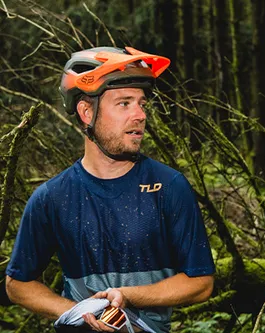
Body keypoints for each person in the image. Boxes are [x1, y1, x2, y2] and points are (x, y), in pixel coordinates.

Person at [5, 46, 215, 333]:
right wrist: (78, 311)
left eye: (142, 103)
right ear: (86, 111)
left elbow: (201, 282)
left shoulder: (169, 186)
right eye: (124, 103)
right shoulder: (52, 197)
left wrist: (127, 297)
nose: (140, 115)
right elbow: (18, 283)